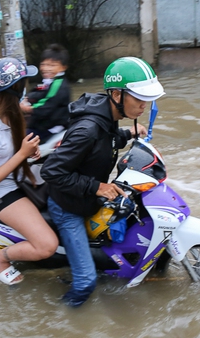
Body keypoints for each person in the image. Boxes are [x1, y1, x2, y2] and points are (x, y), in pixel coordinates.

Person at [40, 57, 165, 306]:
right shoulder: (87, 129)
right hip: (68, 207)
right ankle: (62, 318)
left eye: (147, 100)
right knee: (86, 283)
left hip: (85, 198)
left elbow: (104, 140)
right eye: (139, 99)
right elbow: (51, 171)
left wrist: (128, 133)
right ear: (117, 95)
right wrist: (98, 186)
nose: (144, 106)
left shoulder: (106, 115)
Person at [0, 57, 59, 285]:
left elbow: (10, 152)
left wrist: (31, 151)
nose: (27, 87)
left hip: (18, 179)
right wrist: (22, 155)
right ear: (15, 88)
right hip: (1, 193)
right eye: (24, 82)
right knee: (47, 245)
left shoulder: (9, 113)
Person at [19, 44, 71, 142]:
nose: (46, 68)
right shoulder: (48, 81)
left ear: (63, 67)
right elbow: (37, 91)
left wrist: (29, 109)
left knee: (18, 139)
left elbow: (48, 104)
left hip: (51, 127)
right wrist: (27, 99)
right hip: (41, 123)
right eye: (44, 64)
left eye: (52, 65)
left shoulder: (58, 84)